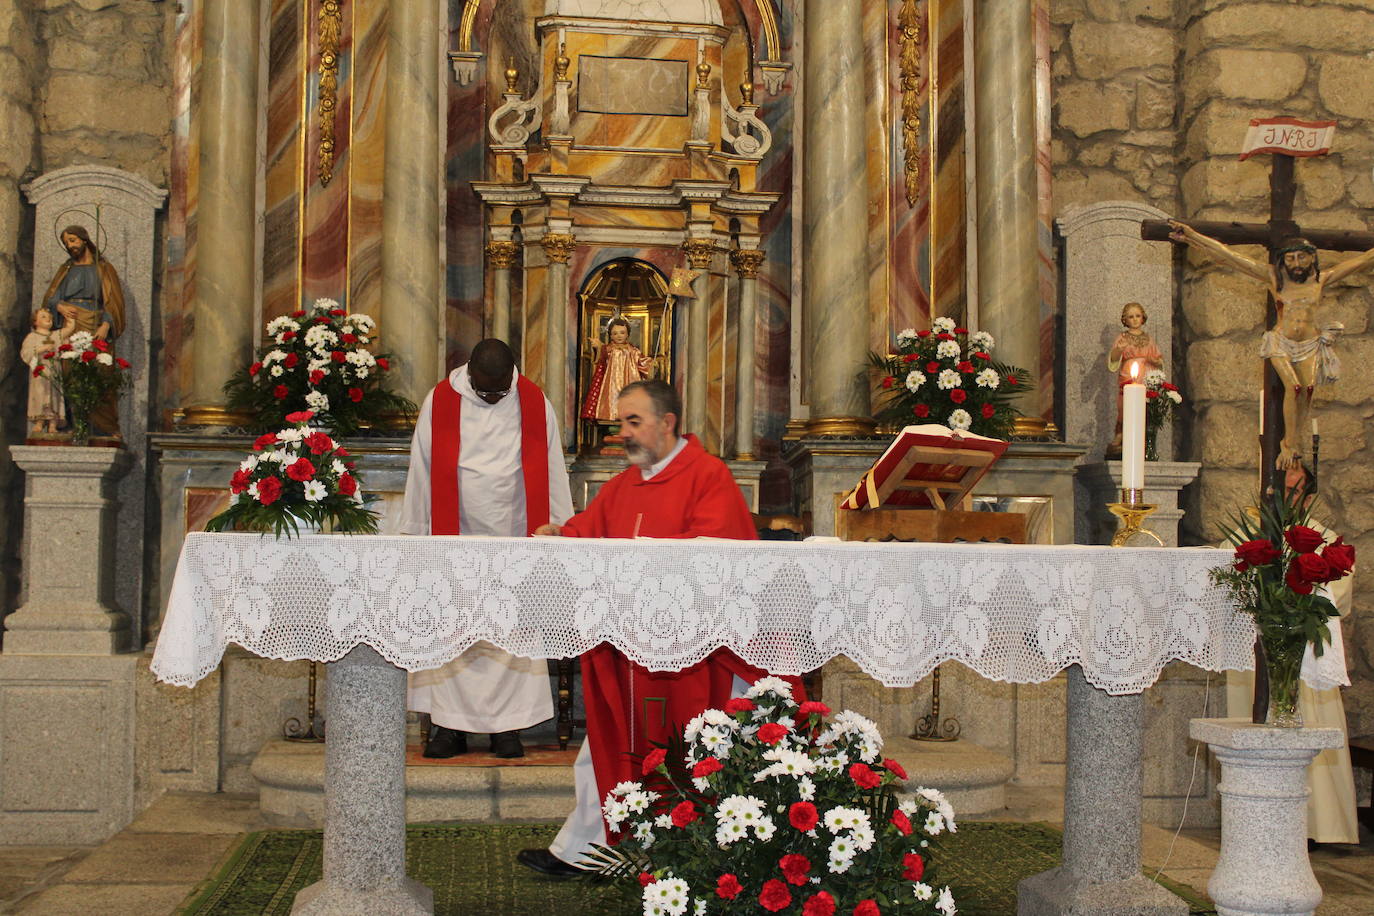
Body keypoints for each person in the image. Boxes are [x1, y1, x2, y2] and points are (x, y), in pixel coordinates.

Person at [516, 379, 802, 878]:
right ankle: (589, 850)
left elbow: (718, 558)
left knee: (690, 752)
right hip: (633, 646)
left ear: (667, 424)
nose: (623, 432)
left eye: (634, 422)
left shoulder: (708, 476)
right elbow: (592, 527)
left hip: (694, 654)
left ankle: (697, 853)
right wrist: (561, 533)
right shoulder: (627, 483)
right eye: (620, 422)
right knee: (607, 745)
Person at [399, 339, 573, 759]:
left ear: (512, 375)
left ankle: (506, 727)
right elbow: (422, 469)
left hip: (514, 535)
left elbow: (551, 466)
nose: (494, 397)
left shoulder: (533, 401)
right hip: (452, 533)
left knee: (509, 633)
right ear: (470, 373)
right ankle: (447, 727)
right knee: (452, 629)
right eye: (486, 390)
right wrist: (415, 533)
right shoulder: (441, 401)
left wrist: (561, 527)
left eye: (501, 390)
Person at [1168, 222, 1374, 468]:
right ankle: (1288, 444)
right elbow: (1229, 256)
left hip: (1309, 343)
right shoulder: (1274, 278)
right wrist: (1192, 236)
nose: (1296, 264)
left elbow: (1363, 261)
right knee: (1295, 387)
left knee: (1308, 391)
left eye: (1301, 258)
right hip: (1281, 341)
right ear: (1283, 260)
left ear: (1312, 258)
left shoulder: (1321, 280)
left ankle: (1294, 441)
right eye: (1290, 258)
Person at [42, 225, 125, 435]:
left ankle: (104, 428)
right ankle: (74, 425)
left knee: (101, 374)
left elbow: (113, 302)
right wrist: (59, 305)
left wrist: (106, 324)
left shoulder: (103, 269)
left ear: (84, 240)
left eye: (72, 240)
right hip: (69, 327)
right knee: (69, 375)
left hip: (95, 325)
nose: (70, 246)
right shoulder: (66, 270)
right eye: (66, 242)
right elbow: (50, 298)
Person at [1106, 302, 1163, 456]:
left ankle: (1143, 440)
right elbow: (1113, 359)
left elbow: (1158, 359)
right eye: (1131, 317)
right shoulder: (1123, 337)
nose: (1135, 319)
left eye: (1138, 316)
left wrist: (1156, 361)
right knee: (1124, 407)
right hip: (1128, 375)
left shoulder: (1148, 338)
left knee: (1145, 408)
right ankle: (1120, 435)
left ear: (1143, 317)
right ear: (1125, 320)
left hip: (1146, 376)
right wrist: (1119, 349)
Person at [580, 316, 653, 423]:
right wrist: (598, 347)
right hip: (611, 385)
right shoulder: (609, 349)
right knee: (611, 401)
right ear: (610, 335)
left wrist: (651, 363)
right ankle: (610, 413)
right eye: (615, 333)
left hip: (629, 382)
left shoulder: (633, 351)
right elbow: (601, 359)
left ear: (627, 334)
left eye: (622, 333)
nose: (619, 336)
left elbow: (642, 363)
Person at [20, 308, 74, 436]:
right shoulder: (32, 336)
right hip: (40, 372)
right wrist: (41, 348)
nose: (48, 319)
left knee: (54, 395)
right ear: (35, 321)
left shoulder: (55, 335)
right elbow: (25, 352)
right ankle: (40, 421)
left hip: (54, 371)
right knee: (40, 394)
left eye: (49, 316)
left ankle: (53, 424)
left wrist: (67, 313)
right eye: (43, 317)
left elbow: (70, 328)